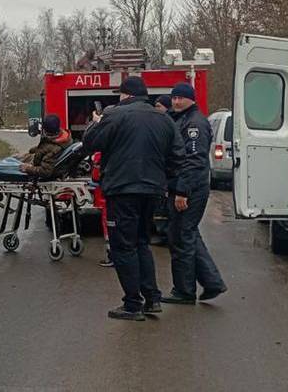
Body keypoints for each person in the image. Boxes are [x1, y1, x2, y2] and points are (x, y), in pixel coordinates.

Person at [84, 76, 185, 321]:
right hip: (152, 191)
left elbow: (89, 143)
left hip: (123, 189)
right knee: (141, 242)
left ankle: (132, 304)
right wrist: (165, 180)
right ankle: (152, 299)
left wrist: (97, 123)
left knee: (123, 246)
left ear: (126, 94)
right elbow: (178, 157)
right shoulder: (164, 119)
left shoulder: (115, 115)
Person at [162, 82, 227, 305]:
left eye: (181, 98)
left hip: (190, 188)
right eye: (174, 97)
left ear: (191, 99)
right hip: (185, 186)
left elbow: (193, 161)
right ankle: (212, 282)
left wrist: (182, 191)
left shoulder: (194, 124)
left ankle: (184, 291)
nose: (176, 101)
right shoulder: (181, 118)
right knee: (187, 234)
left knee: (181, 237)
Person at [150, 94, 173, 246]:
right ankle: (165, 235)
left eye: (158, 106)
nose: (156, 109)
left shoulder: (169, 122)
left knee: (166, 210)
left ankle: (167, 236)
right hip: (162, 174)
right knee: (162, 209)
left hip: (167, 175)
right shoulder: (165, 121)